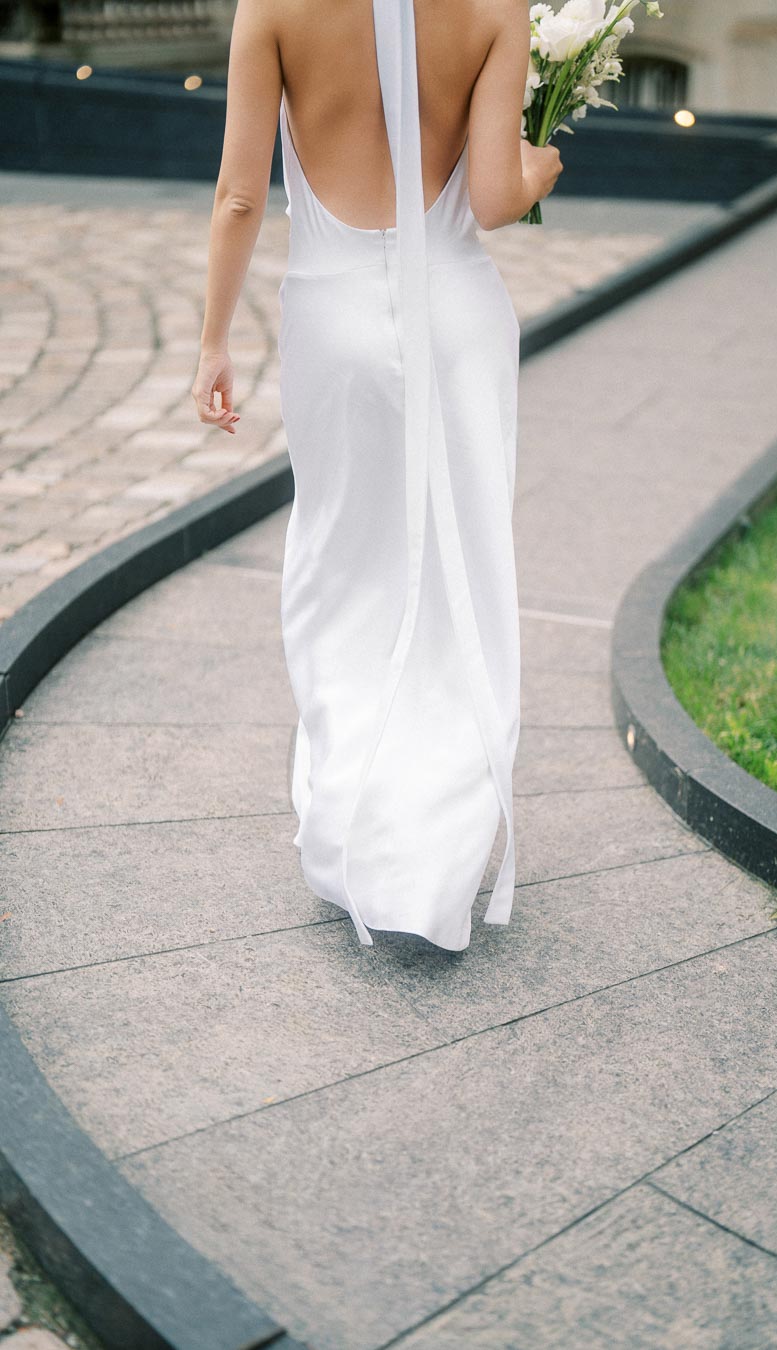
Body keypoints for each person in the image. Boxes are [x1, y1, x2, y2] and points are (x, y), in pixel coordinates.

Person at [192, 0, 563, 950]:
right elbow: (490, 198)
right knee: (462, 578)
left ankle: (354, 821)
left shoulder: (272, 6)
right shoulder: (494, 9)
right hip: (460, 324)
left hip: (334, 324)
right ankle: (436, 849)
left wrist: (213, 342)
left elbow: (239, 195)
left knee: (342, 568)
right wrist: (542, 165)